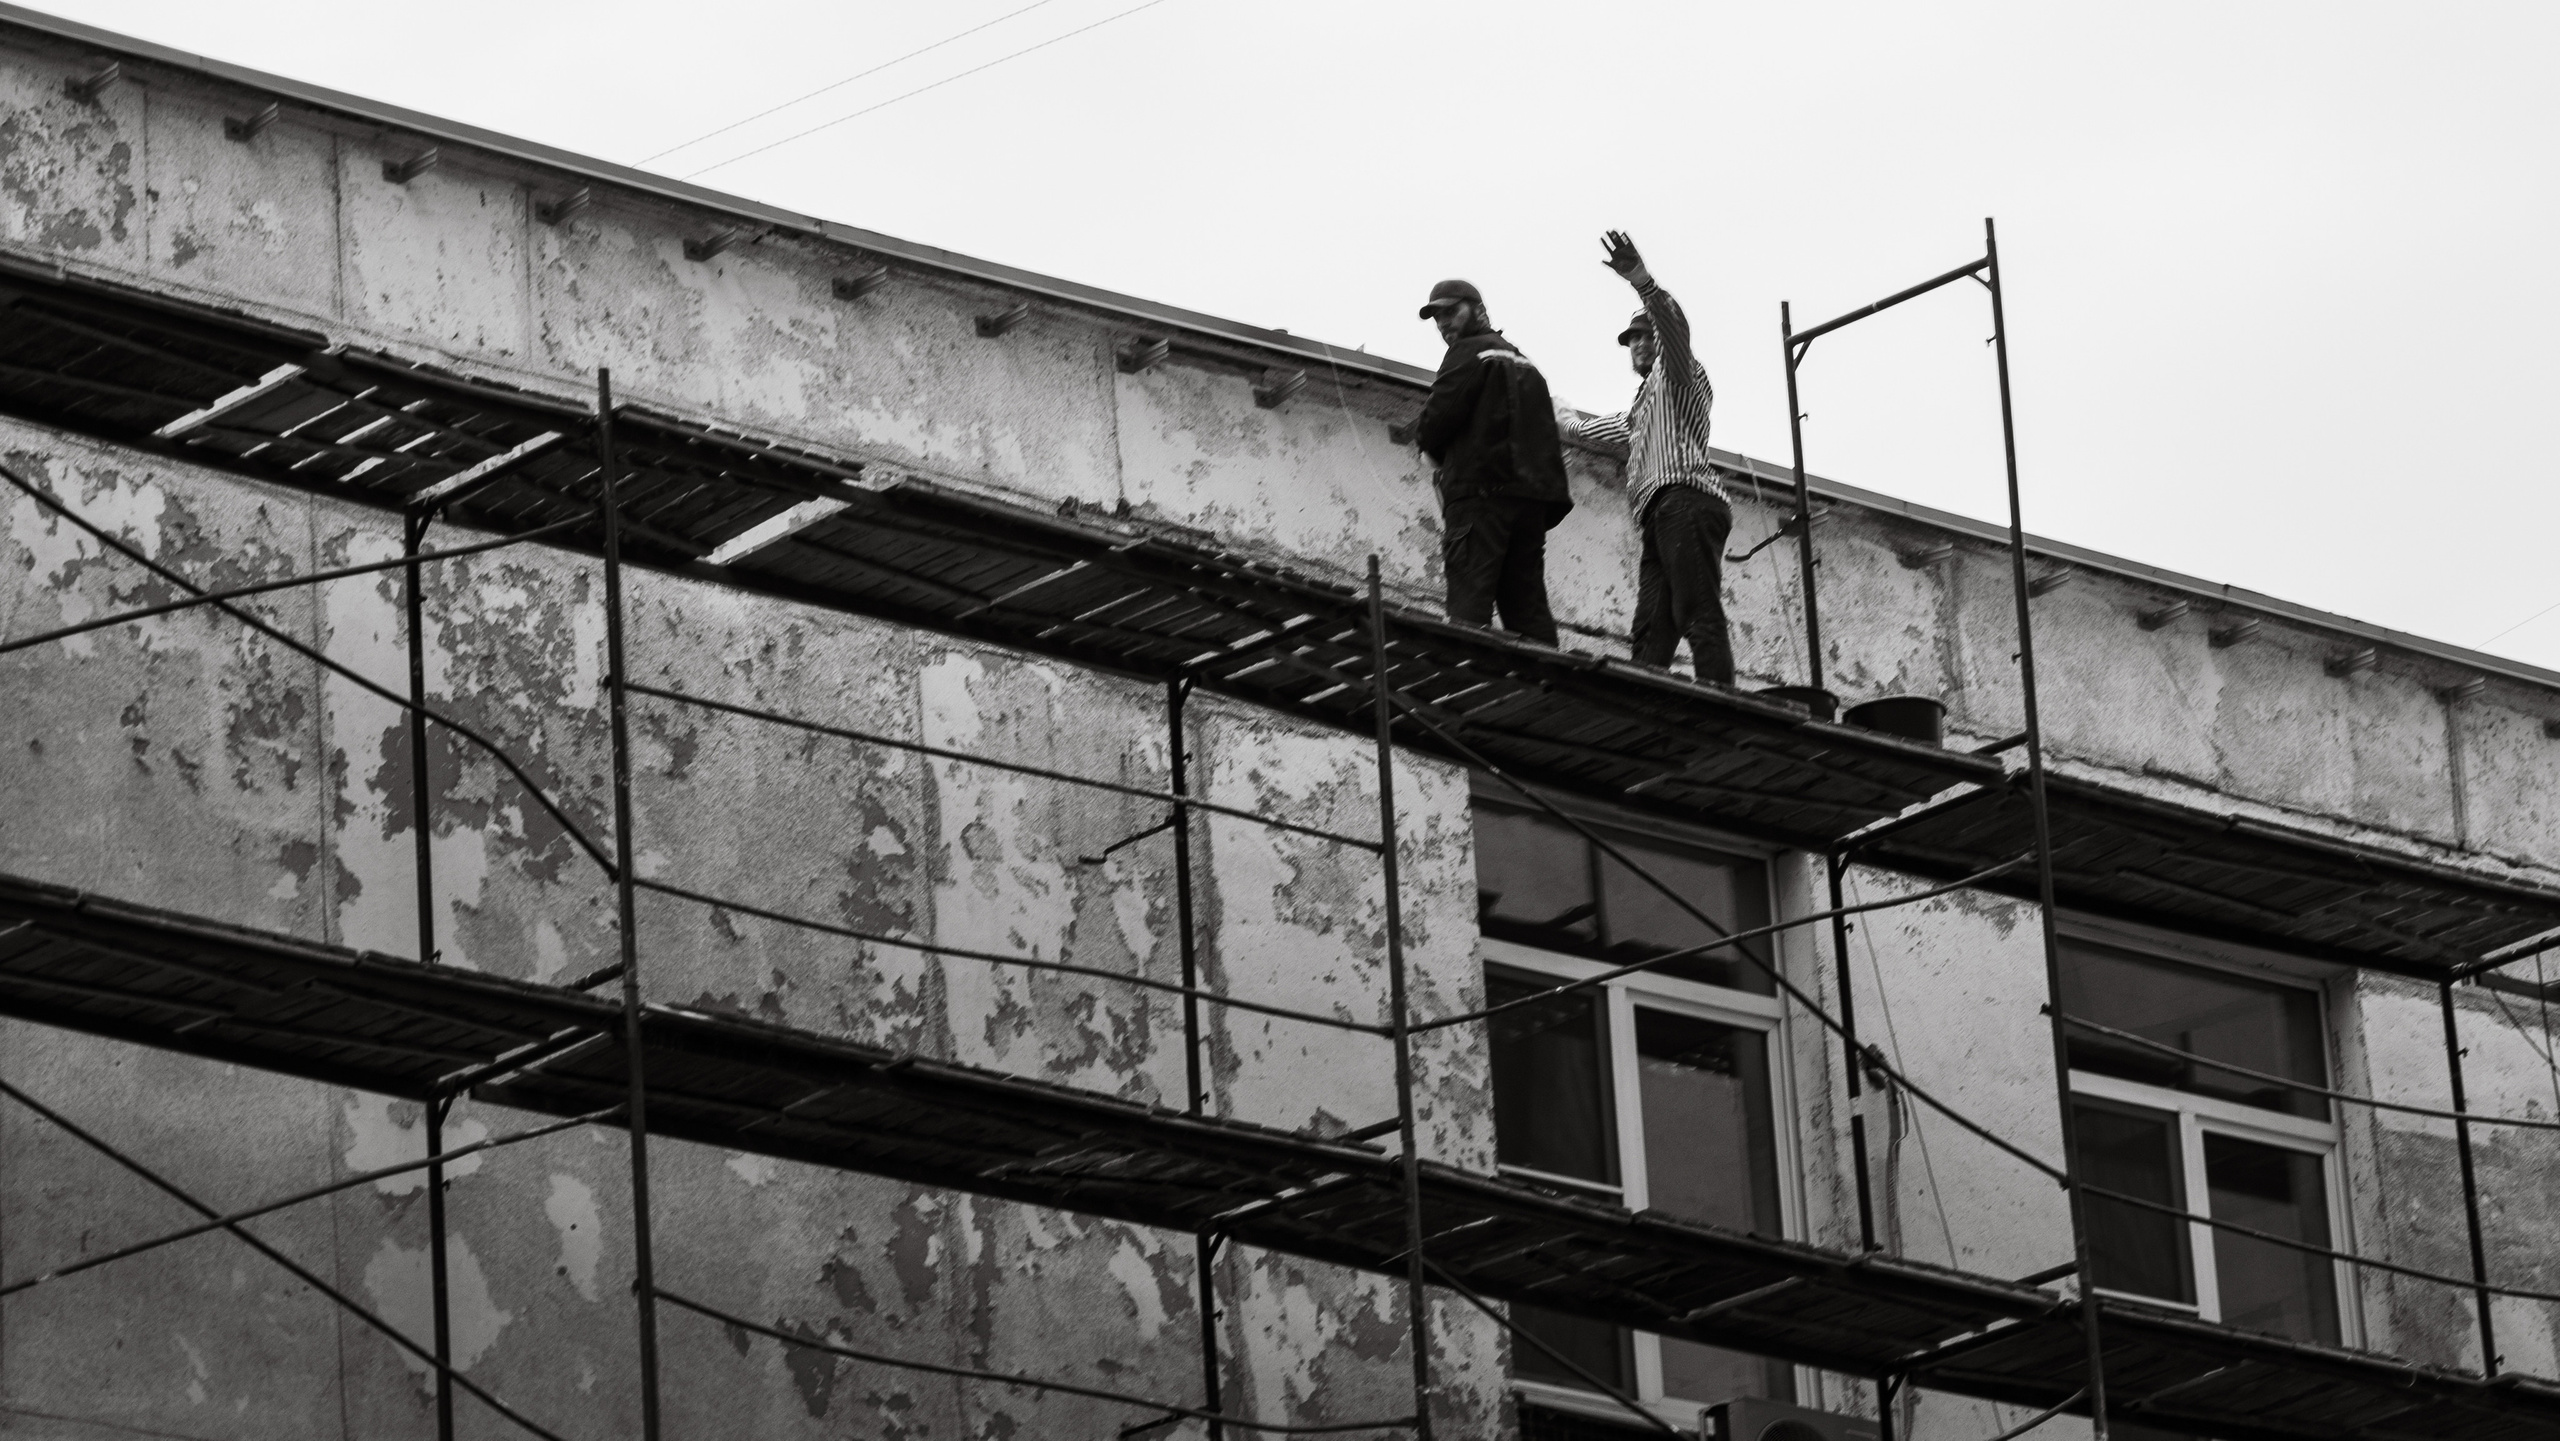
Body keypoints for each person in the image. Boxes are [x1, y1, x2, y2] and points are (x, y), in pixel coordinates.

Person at [1564, 232, 1734, 685]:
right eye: (1631, 340)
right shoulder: (1642, 410)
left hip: (1686, 500)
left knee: (1696, 609)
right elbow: (1591, 429)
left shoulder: (1679, 373)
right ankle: (1647, 703)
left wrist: (1641, 279)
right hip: (1660, 514)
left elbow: (1675, 328)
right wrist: (1553, 410)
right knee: (1650, 631)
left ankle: (1724, 702)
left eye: (1644, 335)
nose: (1637, 344)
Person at [1412, 279, 1572, 646]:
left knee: (1469, 606)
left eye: (1451, 312)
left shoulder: (1470, 352)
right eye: (1437, 317)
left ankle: (1464, 686)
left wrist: (1430, 451)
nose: (1443, 324)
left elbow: (1436, 420)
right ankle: (1545, 688)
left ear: (1480, 311)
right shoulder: (1528, 366)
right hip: (1530, 508)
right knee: (1527, 609)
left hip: (1480, 503)